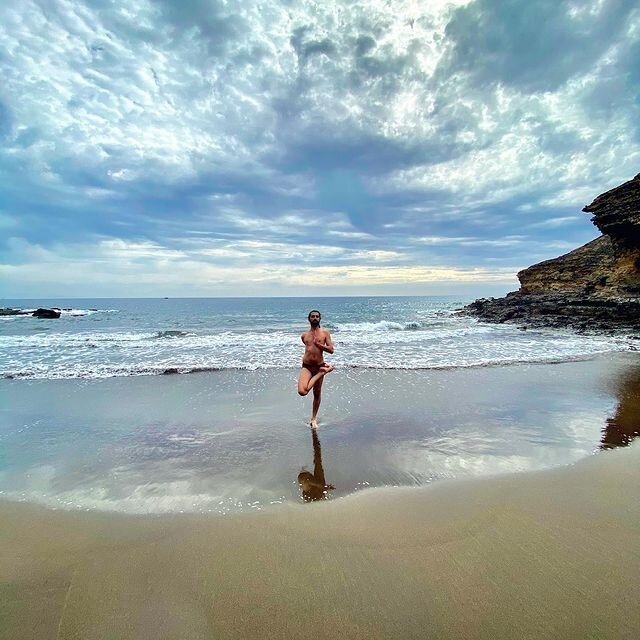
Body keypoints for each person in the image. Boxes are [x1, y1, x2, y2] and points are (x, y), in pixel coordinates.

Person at [297, 310, 334, 428]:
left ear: (320, 319)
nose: (315, 318)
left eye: (317, 316)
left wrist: (319, 345)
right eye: (312, 316)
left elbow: (331, 350)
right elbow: (308, 349)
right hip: (307, 366)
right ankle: (322, 373)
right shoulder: (304, 336)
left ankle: (313, 418)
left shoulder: (325, 333)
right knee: (302, 392)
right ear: (309, 319)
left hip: (319, 365)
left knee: (317, 394)